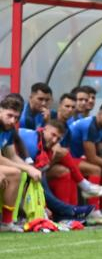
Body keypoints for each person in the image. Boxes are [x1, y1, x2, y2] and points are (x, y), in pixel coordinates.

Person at [18, 120, 95, 222]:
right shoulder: (33, 144)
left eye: (58, 139)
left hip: (17, 166)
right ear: (45, 129)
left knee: (52, 173)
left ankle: (65, 211)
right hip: (10, 167)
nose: (54, 140)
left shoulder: (42, 142)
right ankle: (68, 210)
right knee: (35, 176)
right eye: (53, 135)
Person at [0, 97, 42, 231]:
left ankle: (8, 221)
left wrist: (30, 168)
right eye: (9, 115)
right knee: (14, 173)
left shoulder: (9, 129)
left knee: (19, 174)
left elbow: (11, 155)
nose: (13, 121)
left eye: (16, 118)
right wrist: (27, 168)